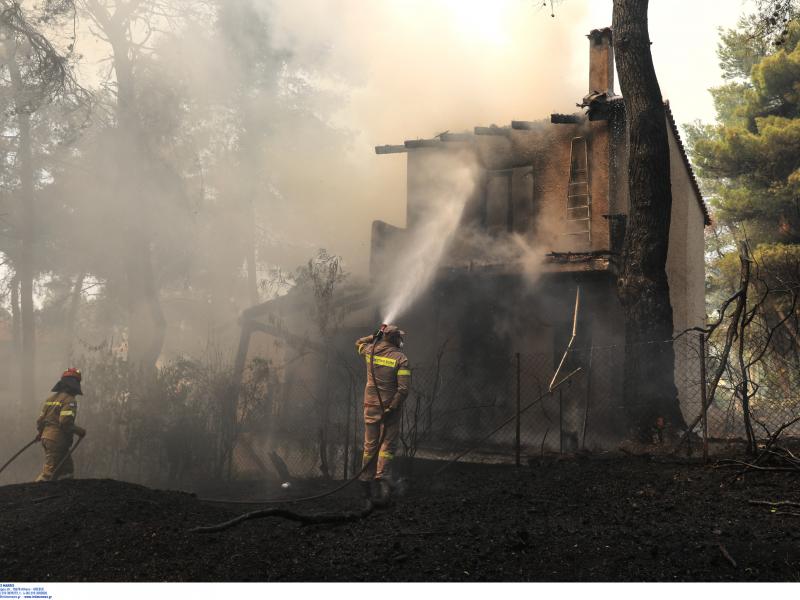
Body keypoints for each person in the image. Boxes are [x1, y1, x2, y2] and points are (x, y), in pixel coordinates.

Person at [355, 325, 411, 505]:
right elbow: (403, 390)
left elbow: (358, 343)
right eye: (398, 337)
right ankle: (383, 480)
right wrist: (392, 408)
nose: (400, 340)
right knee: (387, 447)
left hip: (370, 406)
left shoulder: (369, 351)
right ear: (394, 339)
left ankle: (365, 484)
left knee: (369, 446)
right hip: (390, 410)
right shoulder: (401, 359)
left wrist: (373, 336)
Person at [35, 368, 86, 482]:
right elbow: (65, 422)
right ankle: (32, 494)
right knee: (48, 474)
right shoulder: (70, 400)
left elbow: (40, 421)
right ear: (74, 384)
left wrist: (40, 433)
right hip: (57, 440)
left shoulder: (50, 399)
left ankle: (62, 497)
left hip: (47, 438)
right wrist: (80, 431)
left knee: (67, 471)